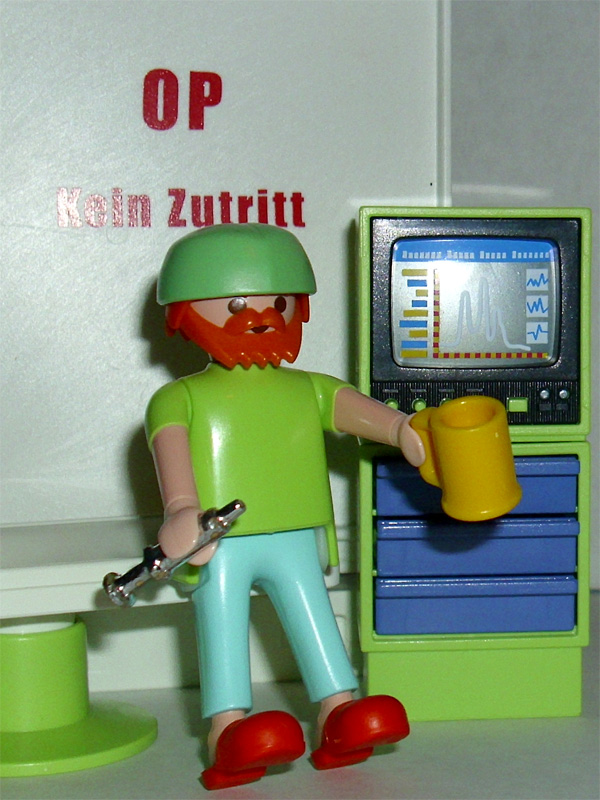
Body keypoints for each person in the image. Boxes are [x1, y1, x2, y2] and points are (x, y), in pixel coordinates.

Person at [145, 223, 425, 789]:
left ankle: (338, 709)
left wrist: (401, 428)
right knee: (222, 619)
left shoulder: (308, 388)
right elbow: (172, 458)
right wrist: (180, 510)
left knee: (312, 611)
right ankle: (226, 728)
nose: (260, 317)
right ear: (184, 314)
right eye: (236, 305)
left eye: (278, 303)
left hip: (294, 530)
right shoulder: (178, 399)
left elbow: (353, 409)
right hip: (219, 537)